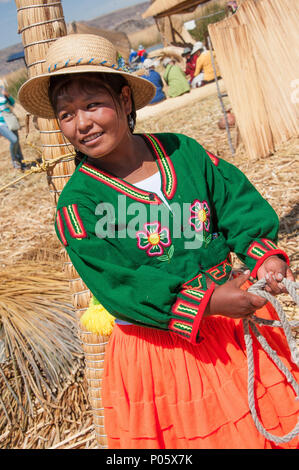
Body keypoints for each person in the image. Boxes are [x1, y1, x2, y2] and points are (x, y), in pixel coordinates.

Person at [18, 34, 298, 450]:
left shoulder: (183, 151)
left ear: (125, 100)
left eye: (93, 104)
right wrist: (209, 301)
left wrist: (264, 259)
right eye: (66, 114)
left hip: (236, 327)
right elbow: (120, 284)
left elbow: (235, 203)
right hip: (166, 352)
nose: (82, 124)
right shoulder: (79, 206)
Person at [0, 83, 25, 170]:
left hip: (10, 121)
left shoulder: (2, 89)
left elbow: (13, 103)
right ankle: (14, 160)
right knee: (14, 140)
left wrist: (8, 95)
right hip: (1, 124)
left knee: (17, 143)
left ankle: (22, 164)